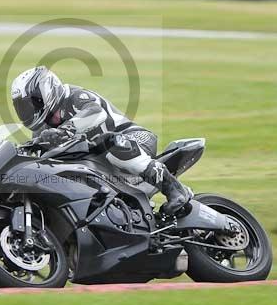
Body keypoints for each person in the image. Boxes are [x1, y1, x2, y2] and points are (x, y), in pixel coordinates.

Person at [10, 66, 192, 215]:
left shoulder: (74, 97)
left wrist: (65, 130)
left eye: (31, 103)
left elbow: (96, 114)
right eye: (22, 107)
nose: (27, 111)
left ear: (45, 91)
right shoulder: (43, 130)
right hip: (104, 163)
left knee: (109, 143)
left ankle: (175, 190)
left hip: (134, 139)